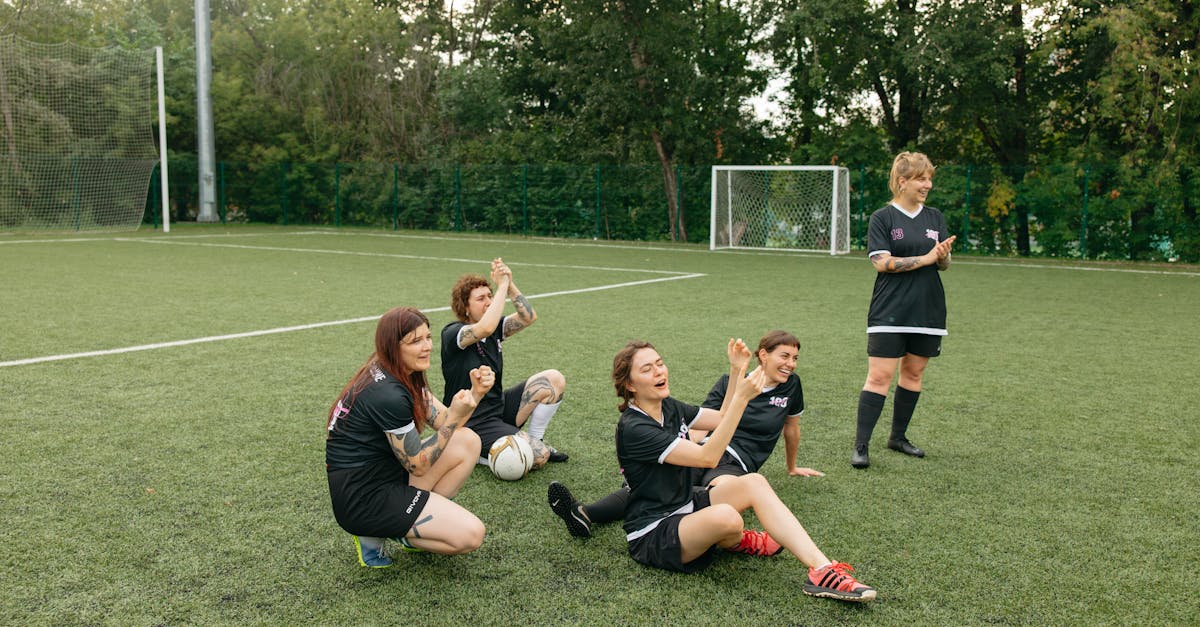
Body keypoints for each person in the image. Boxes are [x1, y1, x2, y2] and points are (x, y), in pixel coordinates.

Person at [603, 339, 876, 602]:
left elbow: (721, 417)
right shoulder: (635, 427)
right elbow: (708, 457)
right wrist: (743, 398)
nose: (659, 371)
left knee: (753, 482)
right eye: (647, 369)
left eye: (660, 363)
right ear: (630, 384)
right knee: (727, 518)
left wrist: (736, 370)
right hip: (653, 532)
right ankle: (735, 539)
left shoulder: (669, 406)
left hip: (686, 504)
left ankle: (822, 569)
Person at [548, 330, 824, 539]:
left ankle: (694, 520)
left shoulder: (792, 387)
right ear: (763, 355)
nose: (791, 363)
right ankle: (586, 512)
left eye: (795, 358)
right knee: (661, 485)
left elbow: (788, 427)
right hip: (706, 448)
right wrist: (674, 449)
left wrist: (792, 466)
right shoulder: (730, 384)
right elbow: (709, 423)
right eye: (784, 356)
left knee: (718, 495)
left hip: (735, 462)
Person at [326, 307, 492, 568]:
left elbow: (446, 421)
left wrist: (476, 393)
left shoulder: (397, 370)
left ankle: (412, 524)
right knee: (472, 535)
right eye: (415, 341)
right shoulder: (388, 395)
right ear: (393, 346)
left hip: (386, 475)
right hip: (364, 499)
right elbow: (418, 465)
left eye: (428, 337)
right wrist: (453, 418)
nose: (427, 347)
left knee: (467, 440)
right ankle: (388, 532)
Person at [852, 151, 956, 469]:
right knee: (879, 376)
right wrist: (925, 258)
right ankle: (861, 446)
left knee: (913, 373)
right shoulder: (882, 218)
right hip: (889, 310)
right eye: (921, 179)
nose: (928, 185)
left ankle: (898, 437)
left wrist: (942, 256)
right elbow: (882, 263)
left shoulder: (935, 217)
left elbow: (944, 265)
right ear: (902, 181)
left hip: (928, 309)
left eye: (929, 179)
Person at [442, 258, 567, 471]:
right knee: (538, 456)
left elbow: (528, 317)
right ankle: (476, 453)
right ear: (465, 307)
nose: (488, 301)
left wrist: (508, 283)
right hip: (471, 423)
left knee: (554, 379)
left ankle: (536, 440)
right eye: (480, 298)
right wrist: (500, 287)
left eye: (489, 296)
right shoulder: (454, 333)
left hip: (498, 410)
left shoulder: (494, 330)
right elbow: (484, 328)